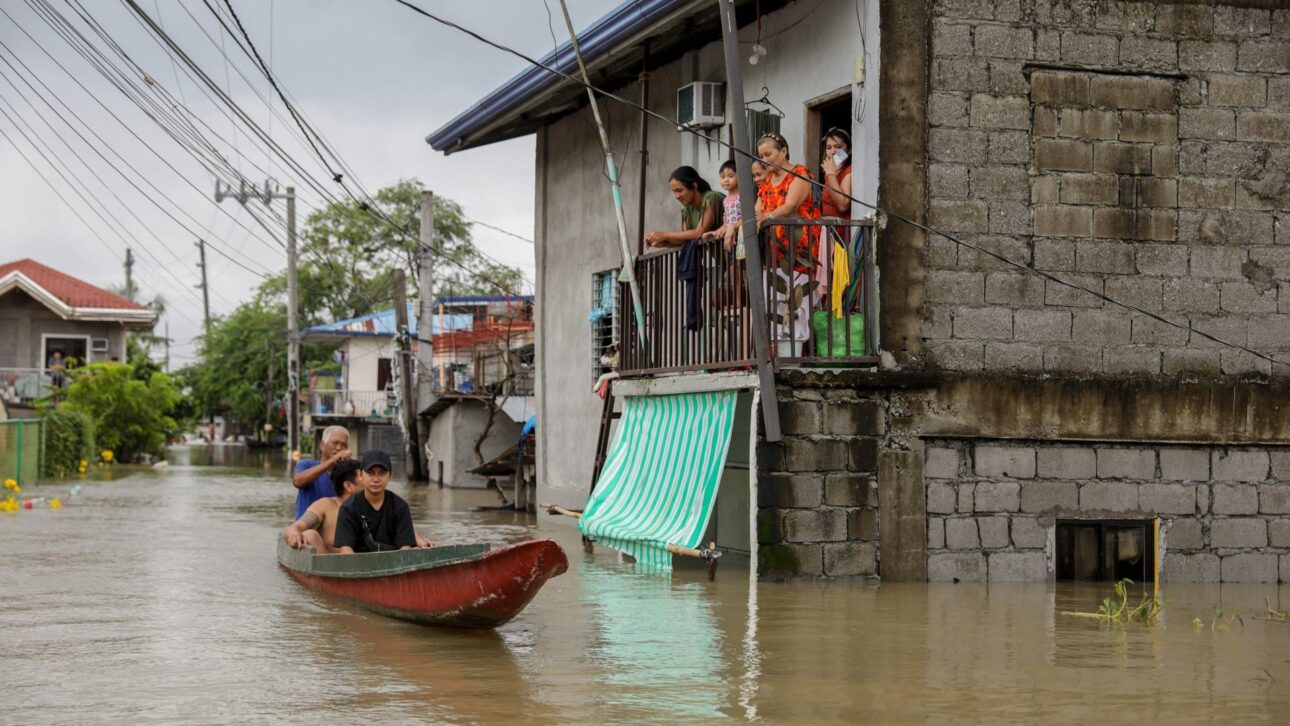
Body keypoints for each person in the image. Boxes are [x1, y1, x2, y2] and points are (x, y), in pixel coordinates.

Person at [754, 131, 822, 269]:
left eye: (768, 155)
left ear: (783, 151)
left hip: (799, 245)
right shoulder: (767, 179)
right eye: (761, 156)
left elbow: (790, 205)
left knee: (800, 288)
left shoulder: (800, 173)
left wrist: (765, 217)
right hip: (774, 247)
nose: (764, 160)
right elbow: (757, 209)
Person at [332, 449, 418, 554]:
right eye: (370, 472)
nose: (376, 479)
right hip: (358, 564)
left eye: (382, 473)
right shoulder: (348, 508)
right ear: (360, 475)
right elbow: (346, 550)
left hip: (392, 564)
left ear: (390, 476)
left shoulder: (400, 507)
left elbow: (405, 548)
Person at [283, 458, 361, 553]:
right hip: (330, 564)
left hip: (365, 563)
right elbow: (295, 528)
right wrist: (294, 535)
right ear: (348, 486)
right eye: (365, 475)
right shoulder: (325, 506)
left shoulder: (373, 506)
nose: (372, 480)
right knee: (310, 534)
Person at [643, 166, 724, 249]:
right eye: (674, 192)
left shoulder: (711, 198)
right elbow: (686, 240)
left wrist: (665, 235)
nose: (677, 196)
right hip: (724, 260)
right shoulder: (687, 210)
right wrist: (663, 242)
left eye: (679, 190)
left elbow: (699, 232)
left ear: (694, 186)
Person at [291, 425, 351, 520]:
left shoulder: (348, 474)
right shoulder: (307, 464)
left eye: (344, 445)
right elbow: (298, 481)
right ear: (322, 445)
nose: (339, 448)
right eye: (335, 443)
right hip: (306, 529)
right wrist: (332, 461)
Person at [702, 160, 744, 256]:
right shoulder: (725, 201)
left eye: (730, 176)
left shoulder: (742, 196)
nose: (725, 180)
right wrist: (714, 232)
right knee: (731, 267)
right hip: (731, 239)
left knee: (741, 268)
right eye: (722, 177)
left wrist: (733, 227)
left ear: (740, 176)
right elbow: (726, 224)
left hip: (743, 238)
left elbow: (748, 217)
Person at [819, 127, 853, 219]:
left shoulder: (848, 171)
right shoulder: (829, 174)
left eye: (838, 147)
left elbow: (842, 206)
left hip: (840, 230)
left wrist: (830, 174)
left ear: (849, 150)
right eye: (828, 148)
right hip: (828, 229)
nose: (833, 152)